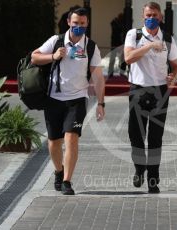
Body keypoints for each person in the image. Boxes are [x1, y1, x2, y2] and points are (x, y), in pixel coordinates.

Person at [31, 7, 105, 195]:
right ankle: (58, 170)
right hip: (54, 98)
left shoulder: (90, 46)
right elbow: (34, 57)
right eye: (75, 23)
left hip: (77, 99)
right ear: (69, 22)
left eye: (82, 23)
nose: (79, 26)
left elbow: (97, 76)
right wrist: (53, 56)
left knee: (71, 138)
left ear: (87, 23)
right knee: (54, 141)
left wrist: (101, 104)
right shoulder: (56, 41)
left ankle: (67, 181)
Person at [124, 2, 177, 193]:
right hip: (138, 89)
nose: (152, 18)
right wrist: (149, 46)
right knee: (135, 135)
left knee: (156, 138)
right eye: (148, 15)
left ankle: (153, 180)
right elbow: (128, 58)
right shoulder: (134, 35)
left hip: (160, 92)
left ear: (161, 17)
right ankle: (140, 168)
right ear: (143, 16)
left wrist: (174, 77)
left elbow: (176, 67)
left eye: (155, 15)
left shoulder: (168, 40)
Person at [108, 13, 127, 77]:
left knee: (123, 59)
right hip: (115, 43)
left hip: (122, 43)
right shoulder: (114, 22)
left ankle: (122, 72)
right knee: (113, 58)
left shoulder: (123, 23)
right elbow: (117, 29)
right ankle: (110, 73)